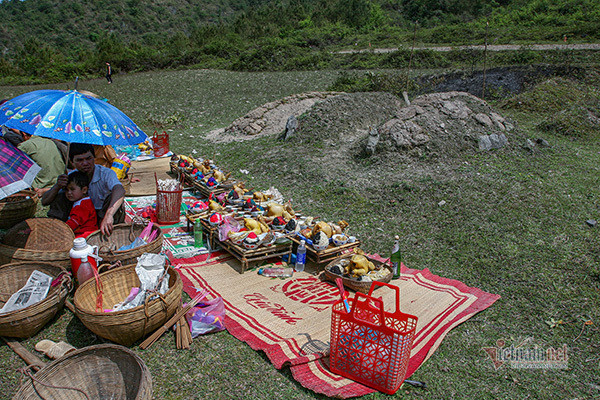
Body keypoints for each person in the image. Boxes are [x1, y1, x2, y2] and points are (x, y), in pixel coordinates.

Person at [42, 143, 125, 235]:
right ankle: (58, 232)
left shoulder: (106, 173)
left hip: (102, 214)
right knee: (60, 196)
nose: (85, 163)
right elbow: (44, 201)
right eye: (79, 160)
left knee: (115, 200)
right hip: (80, 217)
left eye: (88, 158)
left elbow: (119, 190)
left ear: (94, 158)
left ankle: (110, 233)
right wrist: (57, 186)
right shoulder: (71, 177)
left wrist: (109, 215)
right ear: (71, 161)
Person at [10, 128, 65, 196]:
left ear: (24, 134)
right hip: (58, 183)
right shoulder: (50, 142)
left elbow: (11, 162)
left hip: (41, 187)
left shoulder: (26, 145)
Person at [64, 171, 98, 238]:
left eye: (72, 189)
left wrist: (62, 229)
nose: (69, 192)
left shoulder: (83, 205)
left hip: (85, 235)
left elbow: (74, 222)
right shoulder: (82, 202)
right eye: (67, 190)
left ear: (84, 190)